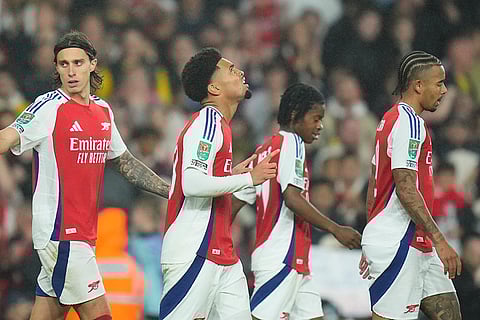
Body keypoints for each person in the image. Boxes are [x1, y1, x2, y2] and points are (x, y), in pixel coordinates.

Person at [0, 31, 170, 320]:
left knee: (48, 313)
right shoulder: (48, 106)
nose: (71, 71)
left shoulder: (103, 111)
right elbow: (6, 138)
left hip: (82, 233)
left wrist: (171, 190)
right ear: (56, 68)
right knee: (100, 312)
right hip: (61, 232)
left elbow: (124, 161)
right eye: (63, 64)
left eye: (78, 62)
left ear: (93, 64)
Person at [159, 47, 278, 320]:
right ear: (214, 87)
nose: (240, 72)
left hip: (221, 252)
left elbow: (202, 178)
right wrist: (248, 178)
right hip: (194, 250)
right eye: (231, 69)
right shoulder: (208, 121)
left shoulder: (219, 125)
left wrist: (229, 175)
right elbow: (191, 183)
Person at [233, 83, 362, 320]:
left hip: (291, 257)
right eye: (315, 118)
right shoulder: (292, 143)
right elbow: (292, 198)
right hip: (282, 256)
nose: (320, 126)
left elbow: (236, 202)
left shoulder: (265, 150)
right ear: (294, 116)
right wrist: (335, 228)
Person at [358, 51, 462, 320]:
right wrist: (441, 240)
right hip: (400, 242)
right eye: (439, 83)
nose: (444, 90)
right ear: (418, 85)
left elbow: (374, 182)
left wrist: (372, 236)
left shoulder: (390, 119)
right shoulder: (410, 123)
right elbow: (404, 186)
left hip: (408, 240)